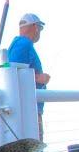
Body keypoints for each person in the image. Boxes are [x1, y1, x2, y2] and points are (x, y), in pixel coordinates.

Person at [7, 13, 50, 141]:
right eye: (40, 29)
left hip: (29, 109)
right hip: (29, 111)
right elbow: (14, 74)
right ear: (35, 27)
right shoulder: (23, 44)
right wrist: (40, 78)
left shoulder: (21, 44)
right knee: (34, 149)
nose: (40, 32)